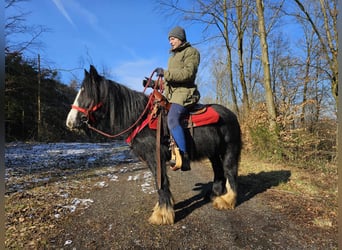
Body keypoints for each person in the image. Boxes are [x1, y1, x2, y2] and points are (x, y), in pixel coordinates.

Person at [154, 26, 201, 171]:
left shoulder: (191, 52)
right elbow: (170, 81)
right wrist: (155, 84)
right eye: (169, 39)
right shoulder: (172, 57)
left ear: (180, 38)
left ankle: (184, 155)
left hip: (185, 93)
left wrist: (166, 74)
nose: (170, 42)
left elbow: (188, 74)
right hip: (172, 95)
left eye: (172, 38)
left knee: (173, 118)